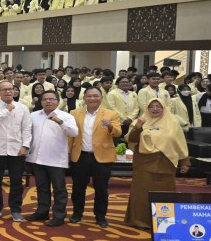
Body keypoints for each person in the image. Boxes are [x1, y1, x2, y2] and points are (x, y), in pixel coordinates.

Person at [124, 99, 190, 229]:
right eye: (152, 106)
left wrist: (184, 162)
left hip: (166, 162)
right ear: (147, 108)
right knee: (141, 193)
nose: (155, 109)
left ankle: (164, 221)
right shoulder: (139, 121)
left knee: (164, 192)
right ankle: (140, 221)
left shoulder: (173, 122)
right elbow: (131, 139)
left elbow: (180, 143)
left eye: (158, 106)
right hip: (144, 163)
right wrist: (138, 127)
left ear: (164, 108)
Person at [69, 86, 122, 228]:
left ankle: (100, 216)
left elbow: (118, 133)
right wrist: (68, 152)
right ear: (84, 98)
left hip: (102, 157)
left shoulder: (111, 114)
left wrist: (110, 126)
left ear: (101, 98)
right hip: (81, 156)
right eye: (89, 96)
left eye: (96, 96)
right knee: (78, 188)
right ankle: (77, 213)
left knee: (101, 189)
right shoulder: (74, 113)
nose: (92, 98)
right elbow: (70, 135)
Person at [24, 91, 78, 226]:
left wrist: (60, 122)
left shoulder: (66, 116)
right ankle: (42, 212)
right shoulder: (33, 115)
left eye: (52, 99)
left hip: (56, 158)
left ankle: (59, 215)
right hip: (37, 157)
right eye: (45, 99)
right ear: (41, 101)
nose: (48, 101)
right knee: (41, 187)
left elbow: (74, 132)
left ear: (58, 101)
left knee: (59, 188)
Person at [0, 80, 31, 222]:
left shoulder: (23, 108)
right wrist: (6, 110)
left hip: (17, 149)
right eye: (4, 89)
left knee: (16, 181)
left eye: (11, 89)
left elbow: (27, 128)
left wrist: (25, 146)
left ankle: (15, 209)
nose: (8, 91)